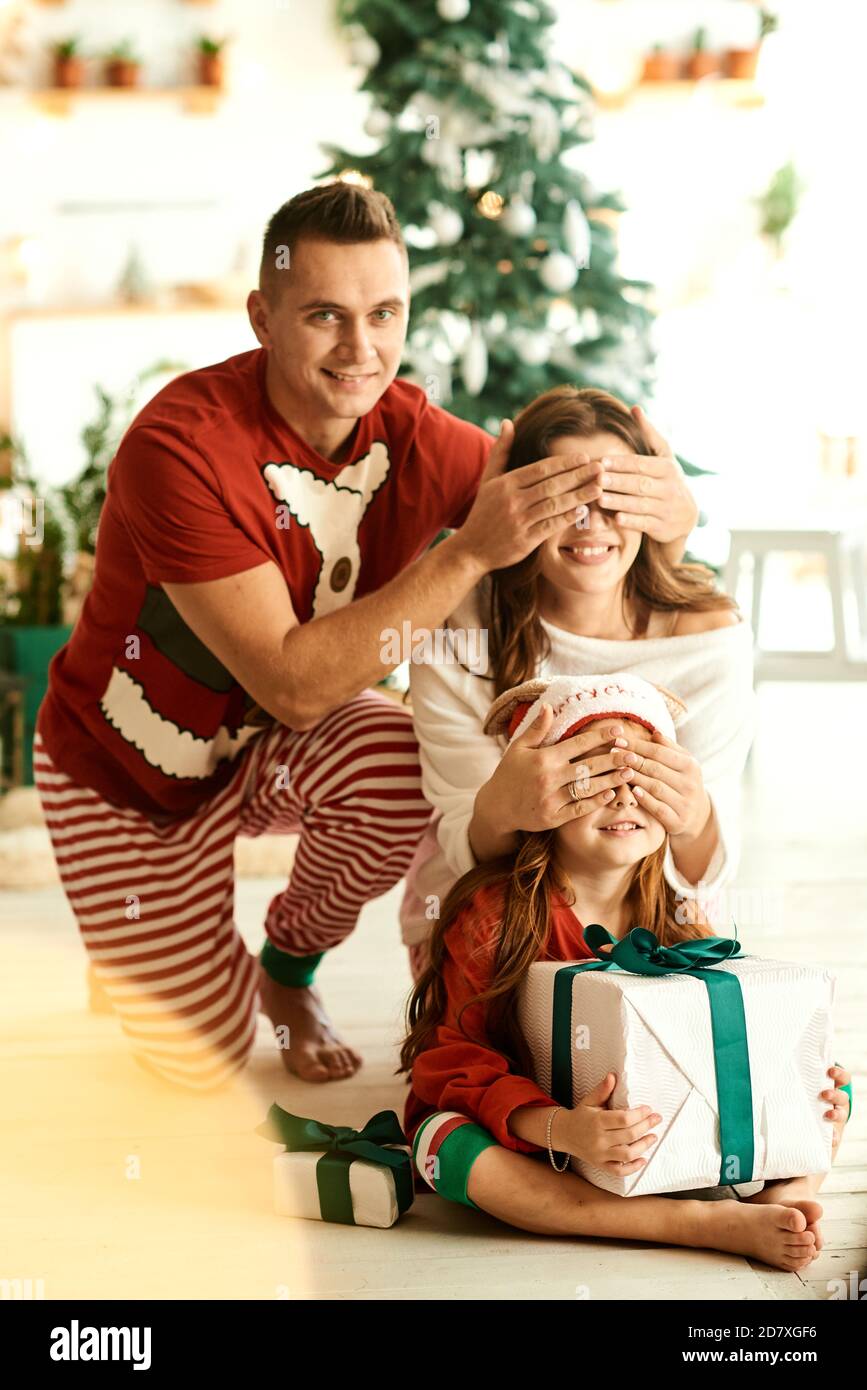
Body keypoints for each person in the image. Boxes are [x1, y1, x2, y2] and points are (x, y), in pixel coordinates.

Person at [34, 181, 699, 1089]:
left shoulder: (418, 434)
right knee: (204, 1068)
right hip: (127, 771)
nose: (362, 349)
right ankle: (143, 946)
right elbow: (294, 685)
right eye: (324, 316)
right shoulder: (178, 449)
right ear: (262, 318)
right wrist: (465, 555)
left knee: (392, 763)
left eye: (384, 313)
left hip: (273, 753)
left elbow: (560, 495)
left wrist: (669, 509)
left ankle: (286, 971)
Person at [400, 674, 852, 1271]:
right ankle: (695, 1222)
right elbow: (453, 1063)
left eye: (644, 776)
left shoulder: (683, 917)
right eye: (593, 776)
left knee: (829, 1087)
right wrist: (562, 1129)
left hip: (658, 1145)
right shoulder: (494, 916)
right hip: (539, 1138)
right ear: (542, 797)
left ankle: (788, 1198)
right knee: (447, 1148)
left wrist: (791, 1086)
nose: (623, 796)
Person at [402, 385, 753, 977]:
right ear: (517, 507)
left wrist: (693, 818)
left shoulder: (707, 635)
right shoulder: (453, 632)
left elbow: (702, 872)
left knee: (669, 1050)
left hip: (648, 916)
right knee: (529, 1052)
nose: (591, 523)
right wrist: (500, 809)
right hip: (495, 909)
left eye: (616, 494)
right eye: (562, 497)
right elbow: (467, 841)